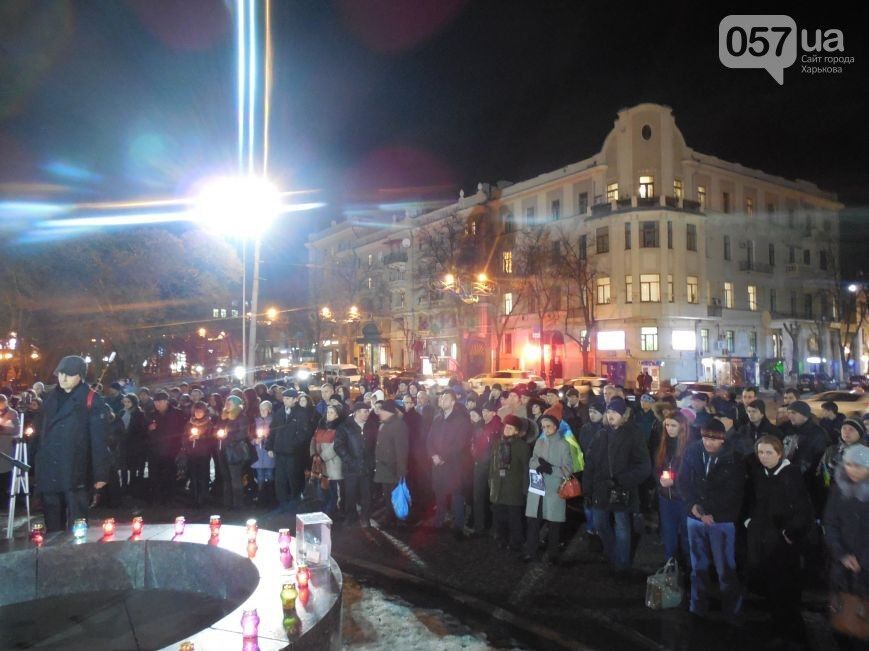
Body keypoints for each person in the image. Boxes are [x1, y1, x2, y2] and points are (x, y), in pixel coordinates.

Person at [746, 435, 814, 647]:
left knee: (785, 587)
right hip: (763, 537)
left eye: (769, 453)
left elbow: (803, 508)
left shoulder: (790, 475)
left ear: (779, 453)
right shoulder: (760, 474)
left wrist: (791, 532)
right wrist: (750, 521)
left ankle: (791, 634)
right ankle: (777, 624)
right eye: (760, 452)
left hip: (782, 541)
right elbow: (754, 500)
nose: (764, 457)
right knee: (770, 584)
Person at [677, 419, 746, 621]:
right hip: (695, 518)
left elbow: (734, 492)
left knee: (725, 567)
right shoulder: (693, 451)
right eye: (706, 437)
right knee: (698, 565)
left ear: (722, 439)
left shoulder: (734, 457)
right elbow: (683, 480)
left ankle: (731, 611)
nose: (709, 443)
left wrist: (711, 512)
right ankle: (697, 606)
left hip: (721, 520)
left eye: (714, 439)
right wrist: (693, 505)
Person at [33, 356, 110, 532]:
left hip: (76, 470)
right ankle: (52, 556)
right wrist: (36, 463)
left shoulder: (91, 399)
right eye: (61, 373)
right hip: (50, 470)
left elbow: (98, 439)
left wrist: (100, 474)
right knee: (53, 524)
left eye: (69, 374)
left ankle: (77, 556)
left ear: (80, 376)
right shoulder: (50, 399)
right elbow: (40, 434)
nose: (63, 378)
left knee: (77, 523)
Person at [582, 397, 651, 573]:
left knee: (622, 526)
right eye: (609, 411)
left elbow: (643, 466)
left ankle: (622, 564)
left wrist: (623, 480)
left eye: (615, 412)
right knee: (600, 524)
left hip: (622, 489)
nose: (611, 415)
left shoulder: (633, 434)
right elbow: (589, 462)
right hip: (600, 488)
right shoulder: (601, 434)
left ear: (624, 414)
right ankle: (612, 555)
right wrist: (587, 489)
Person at [823, 444, 869, 651]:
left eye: (858, 465)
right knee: (842, 611)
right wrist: (841, 554)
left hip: (865, 565)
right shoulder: (839, 489)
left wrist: (863, 559)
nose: (852, 469)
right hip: (842, 565)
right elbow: (830, 523)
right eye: (848, 464)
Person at [523, 414, 574, 564]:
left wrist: (552, 470)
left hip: (554, 489)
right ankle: (531, 552)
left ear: (556, 427)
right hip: (538, 489)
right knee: (533, 521)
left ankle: (553, 555)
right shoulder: (539, 442)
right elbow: (532, 461)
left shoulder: (563, 444)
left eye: (548, 426)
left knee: (554, 524)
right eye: (543, 427)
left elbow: (568, 469)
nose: (545, 429)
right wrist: (538, 466)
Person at [427, 390, 474, 538]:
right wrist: (433, 455)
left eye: (446, 398)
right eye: (441, 397)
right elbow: (429, 439)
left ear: (453, 402)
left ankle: (458, 525)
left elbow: (459, 444)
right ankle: (439, 520)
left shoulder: (461, 420)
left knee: (456, 495)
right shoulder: (437, 418)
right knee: (439, 493)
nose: (442, 399)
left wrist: (442, 457)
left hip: (454, 465)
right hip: (437, 464)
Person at [490, 414, 530, 552]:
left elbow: (526, 469)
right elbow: (492, 465)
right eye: (506, 426)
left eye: (510, 427)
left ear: (517, 431)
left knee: (514, 519)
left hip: (514, 488)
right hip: (498, 488)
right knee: (499, 517)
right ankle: (501, 539)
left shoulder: (522, 446)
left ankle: (516, 542)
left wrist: (525, 490)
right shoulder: (497, 443)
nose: (507, 429)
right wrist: (491, 482)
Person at [655, 412, 691, 564]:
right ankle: (670, 568)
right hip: (665, 498)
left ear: (682, 427)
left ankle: (689, 569)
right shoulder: (663, 445)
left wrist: (674, 483)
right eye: (667, 425)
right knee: (669, 534)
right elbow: (656, 467)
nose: (669, 429)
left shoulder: (690, 448)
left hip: (683, 499)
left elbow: (692, 475)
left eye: (673, 425)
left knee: (686, 536)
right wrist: (660, 480)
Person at [266, 389, 307, 511]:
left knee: (293, 478)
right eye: (284, 398)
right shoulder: (279, 412)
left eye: (289, 398)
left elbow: (304, 433)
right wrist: (269, 446)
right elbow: (272, 430)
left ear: (295, 399)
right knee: (280, 479)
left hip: (294, 453)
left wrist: (294, 444)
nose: (286, 400)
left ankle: (295, 502)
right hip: (280, 451)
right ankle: (282, 503)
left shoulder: (301, 413)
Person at [335, 402, 373, 527]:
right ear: (356, 412)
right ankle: (350, 516)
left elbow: (374, 446)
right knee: (350, 494)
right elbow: (339, 446)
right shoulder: (345, 426)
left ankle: (365, 518)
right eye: (364, 411)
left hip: (366, 466)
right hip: (351, 467)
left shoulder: (371, 426)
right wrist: (349, 460)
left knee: (366, 494)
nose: (366, 413)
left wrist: (371, 461)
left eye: (368, 411)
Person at [373, 400, 409, 527]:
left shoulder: (398, 425)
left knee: (396, 496)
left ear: (388, 412)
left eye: (382, 410)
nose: (379, 413)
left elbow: (402, 450)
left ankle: (400, 521)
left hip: (393, 467)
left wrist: (401, 471)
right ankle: (390, 518)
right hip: (384, 467)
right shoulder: (385, 424)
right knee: (388, 496)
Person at [147, 390, 185, 505]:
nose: (157, 404)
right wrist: (149, 429)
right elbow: (144, 431)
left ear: (166, 402)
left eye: (159, 402)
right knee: (155, 474)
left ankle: (170, 497)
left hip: (171, 450)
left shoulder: (177, 413)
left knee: (170, 474)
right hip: (156, 450)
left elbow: (181, 430)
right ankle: (157, 497)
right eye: (155, 402)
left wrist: (179, 447)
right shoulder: (152, 414)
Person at [471, 405, 500, 535]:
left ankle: (487, 526)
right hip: (481, 464)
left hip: (490, 466)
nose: (484, 413)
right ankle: (481, 526)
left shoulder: (498, 426)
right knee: (480, 496)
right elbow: (474, 443)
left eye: (487, 411)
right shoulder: (480, 425)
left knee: (490, 496)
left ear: (494, 413)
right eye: (483, 411)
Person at [311, 404, 344, 516]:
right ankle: (325, 512)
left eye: (331, 412)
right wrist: (314, 454)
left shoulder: (340, 428)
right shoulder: (321, 426)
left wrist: (322, 457)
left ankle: (330, 513)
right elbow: (313, 440)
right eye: (328, 412)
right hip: (320, 465)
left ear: (337, 415)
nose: (328, 415)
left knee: (333, 492)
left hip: (333, 464)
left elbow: (335, 446)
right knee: (323, 492)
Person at [185, 400, 214, 508]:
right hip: (192, 453)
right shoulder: (189, 423)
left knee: (203, 475)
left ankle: (203, 497)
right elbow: (184, 436)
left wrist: (201, 437)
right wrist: (189, 438)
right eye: (196, 411)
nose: (198, 413)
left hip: (203, 453)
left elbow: (212, 438)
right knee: (193, 476)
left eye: (200, 411)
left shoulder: (209, 423)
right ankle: (194, 497)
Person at [251, 399, 276, 504]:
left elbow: (275, 436)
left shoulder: (273, 421)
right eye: (261, 409)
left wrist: (267, 438)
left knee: (270, 474)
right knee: (259, 475)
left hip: (268, 452)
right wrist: (255, 440)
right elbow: (250, 435)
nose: (262, 411)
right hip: (258, 452)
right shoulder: (255, 421)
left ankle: (270, 495)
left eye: (265, 409)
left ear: (269, 410)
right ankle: (261, 496)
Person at [0, 393, 21, 491]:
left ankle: (5, 494)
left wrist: (2, 429)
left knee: (5, 472)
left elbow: (16, 430)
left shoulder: (12, 413)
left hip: (6, 447)